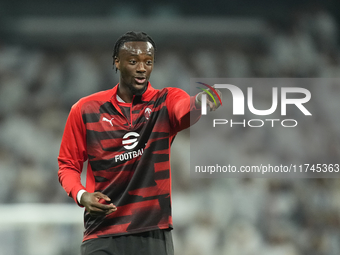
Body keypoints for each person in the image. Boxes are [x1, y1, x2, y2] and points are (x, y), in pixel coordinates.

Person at [58, 31, 220, 255]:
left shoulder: (165, 101)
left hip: (151, 232)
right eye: (133, 61)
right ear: (117, 62)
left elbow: (184, 110)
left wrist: (201, 103)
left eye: (148, 62)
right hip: (101, 231)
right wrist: (82, 195)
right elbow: (67, 164)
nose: (142, 68)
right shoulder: (85, 109)